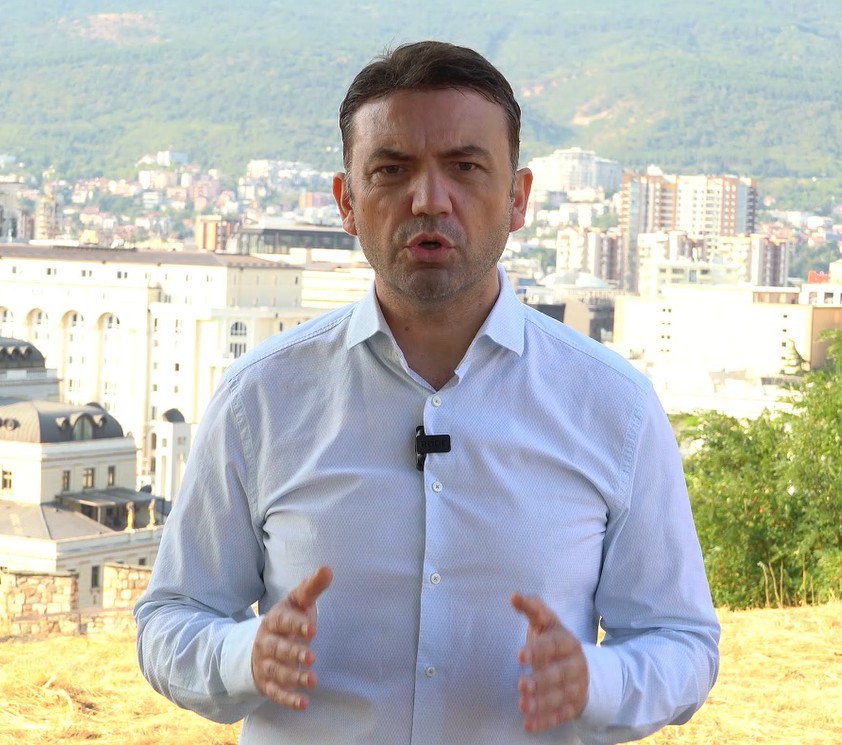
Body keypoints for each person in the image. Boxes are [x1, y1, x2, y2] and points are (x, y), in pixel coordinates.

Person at [135, 40, 719, 744]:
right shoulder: (260, 397)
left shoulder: (613, 405)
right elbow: (169, 619)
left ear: (519, 198)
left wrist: (600, 680)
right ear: (347, 202)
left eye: (465, 167)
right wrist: (243, 656)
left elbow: (682, 641)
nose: (429, 199)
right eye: (392, 170)